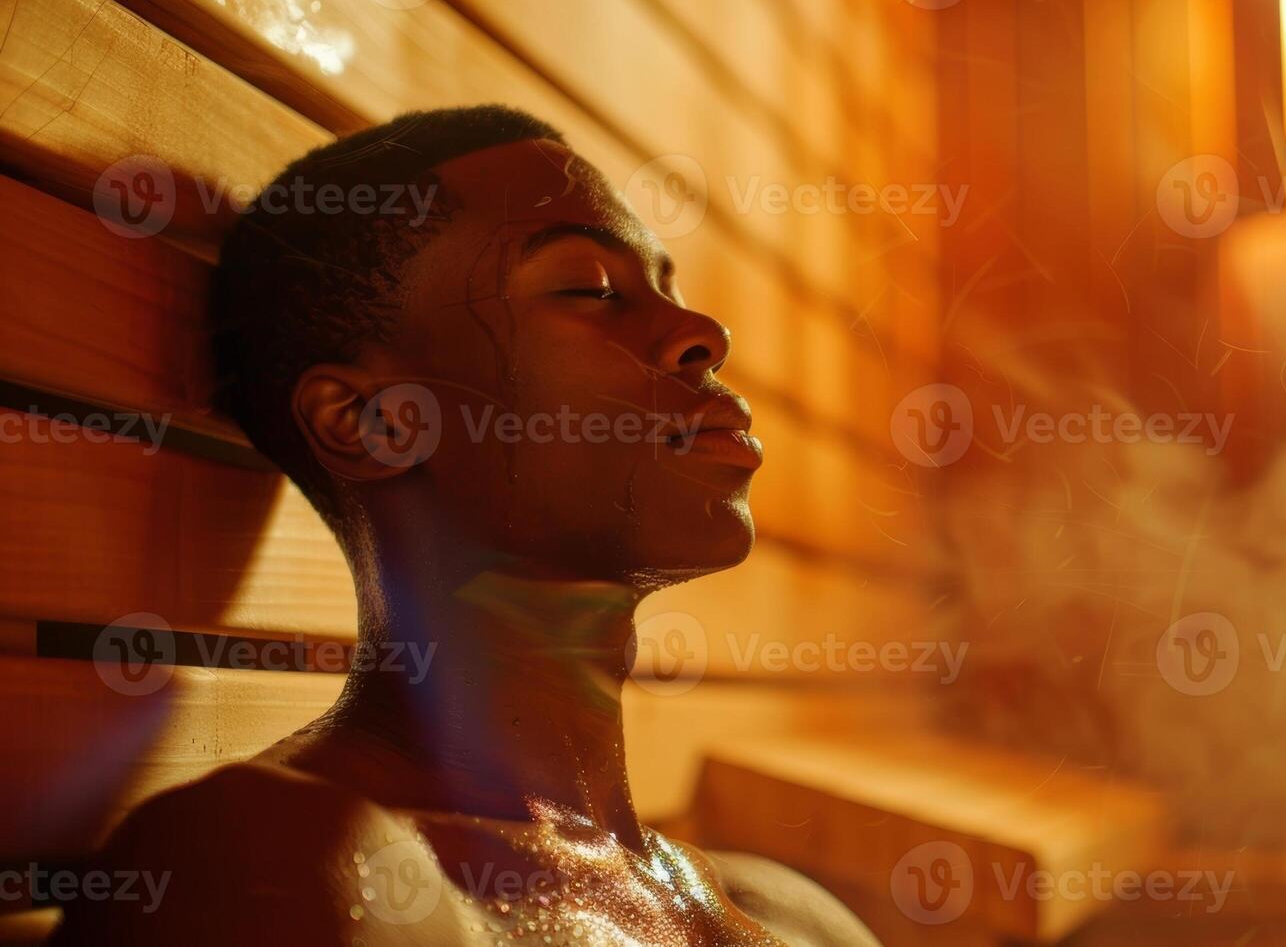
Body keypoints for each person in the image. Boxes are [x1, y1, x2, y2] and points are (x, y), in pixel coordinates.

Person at [53, 106, 879, 946]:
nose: (704, 333)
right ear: (375, 422)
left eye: (668, 288)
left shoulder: (788, 915)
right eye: (591, 290)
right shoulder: (277, 863)